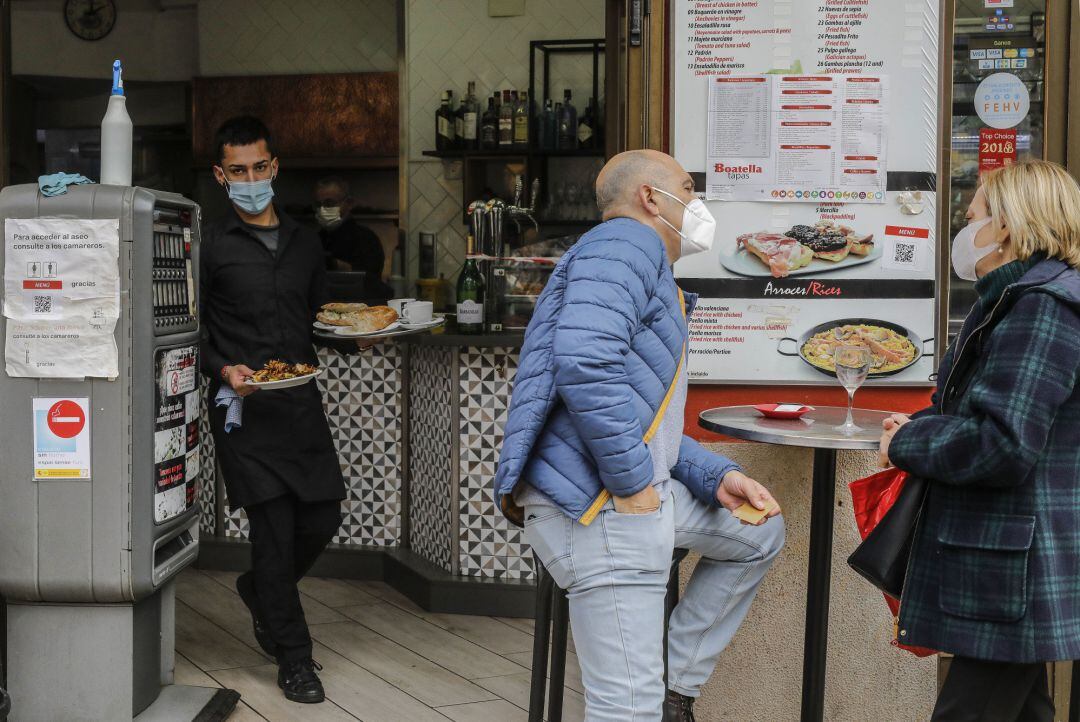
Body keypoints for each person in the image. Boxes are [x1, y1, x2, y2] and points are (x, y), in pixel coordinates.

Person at [494, 149, 785, 722]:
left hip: (628, 495)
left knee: (758, 534)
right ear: (651, 198)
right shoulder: (626, 243)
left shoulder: (633, 258)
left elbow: (647, 418)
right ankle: (656, 699)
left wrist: (716, 475)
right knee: (625, 709)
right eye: (688, 188)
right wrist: (632, 484)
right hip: (601, 505)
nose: (697, 201)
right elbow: (585, 361)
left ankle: (673, 690)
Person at [879, 160, 1080, 722]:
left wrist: (909, 443)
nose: (965, 231)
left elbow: (1002, 444)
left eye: (972, 218)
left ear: (1008, 225)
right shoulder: (1020, 299)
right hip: (1008, 559)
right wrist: (920, 427)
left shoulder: (1040, 307)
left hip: (1008, 562)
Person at [200, 116, 344, 705]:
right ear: (221, 175)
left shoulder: (306, 242)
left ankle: (260, 589)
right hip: (243, 410)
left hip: (300, 404)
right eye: (238, 171)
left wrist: (355, 337)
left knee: (323, 516)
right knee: (275, 534)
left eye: (259, 167)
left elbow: (320, 319)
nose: (251, 179)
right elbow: (192, 331)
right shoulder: (209, 244)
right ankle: (295, 660)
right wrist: (224, 370)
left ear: (275, 167)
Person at [314, 176, 393, 301]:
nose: (323, 209)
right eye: (319, 204)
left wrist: (338, 265)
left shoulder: (366, 239)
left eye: (329, 203)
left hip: (360, 308)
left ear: (349, 203)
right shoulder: (314, 240)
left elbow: (372, 284)